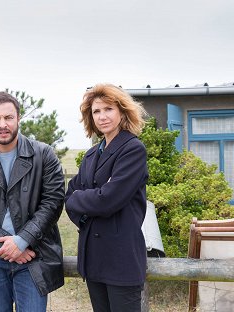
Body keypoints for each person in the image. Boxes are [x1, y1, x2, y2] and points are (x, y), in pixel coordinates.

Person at [0, 91, 65, 312]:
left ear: (18, 118)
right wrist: (6, 247)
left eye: (8, 117)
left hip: (33, 255)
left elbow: (52, 203)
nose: (2, 124)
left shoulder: (44, 155)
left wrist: (22, 240)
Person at [65, 84, 148, 312]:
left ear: (121, 111)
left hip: (121, 259)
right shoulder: (92, 154)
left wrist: (88, 198)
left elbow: (108, 200)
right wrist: (85, 214)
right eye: (96, 112)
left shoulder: (132, 150)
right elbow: (70, 197)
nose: (102, 117)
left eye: (108, 109)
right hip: (93, 258)